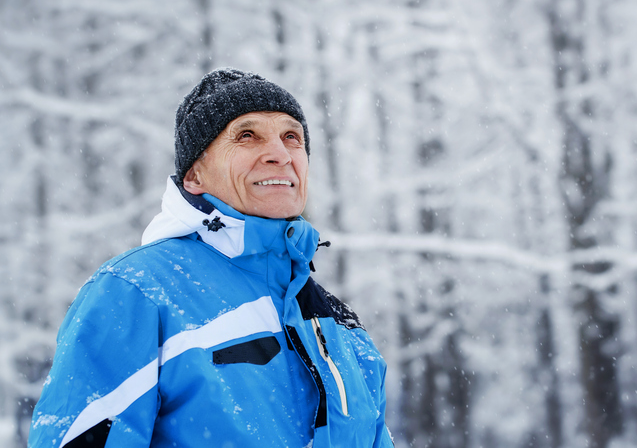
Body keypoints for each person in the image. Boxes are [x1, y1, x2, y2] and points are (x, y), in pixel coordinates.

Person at [28, 68, 394, 447]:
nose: (280, 154)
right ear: (194, 177)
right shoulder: (138, 292)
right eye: (247, 136)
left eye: (292, 137)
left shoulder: (336, 321)